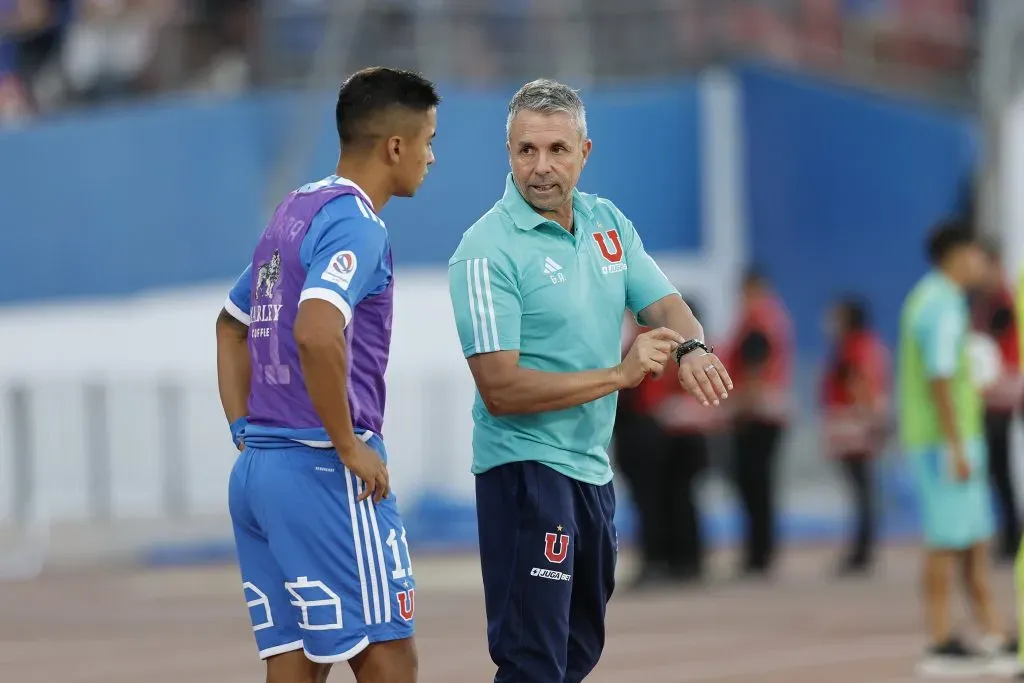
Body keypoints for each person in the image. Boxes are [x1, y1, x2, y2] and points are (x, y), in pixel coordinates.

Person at [446, 78, 732, 683]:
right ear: (509, 154)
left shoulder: (608, 225)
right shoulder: (485, 250)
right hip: (524, 471)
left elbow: (667, 305)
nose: (541, 168)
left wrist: (692, 347)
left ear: (585, 152)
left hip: (590, 472)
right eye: (527, 151)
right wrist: (619, 375)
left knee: (576, 652)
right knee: (533, 660)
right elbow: (500, 390)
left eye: (557, 150)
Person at [214, 67, 439, 683]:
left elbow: (231, 325)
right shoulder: (357, 226)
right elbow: (316, 331)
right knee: (389, 657)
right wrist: (347, 445)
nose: (431, 157)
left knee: (293, 667)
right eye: (427, 140)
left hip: (258, 473)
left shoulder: (297, 208)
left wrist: (244, 428)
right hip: (323, 471)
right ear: (395, 146)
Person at [898, 219, 1014, 675]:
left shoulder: (934, 299)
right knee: (947, 543)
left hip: (952, 437)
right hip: (945, 442)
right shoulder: (941, 305)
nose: (981, 263)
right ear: (956, 255)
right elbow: (940, 377)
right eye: (976, 253)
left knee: (973, 539)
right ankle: (941, 642)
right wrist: (955, 446)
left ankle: (994, 635)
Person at [725, 268, 793, 578]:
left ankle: (759, 553)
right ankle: (760, 551)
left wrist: (739, 406)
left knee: (755, 484)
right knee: (758, 485)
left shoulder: (758, 321)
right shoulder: (774, 319)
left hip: (757, 413)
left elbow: (754, 366)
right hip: (767, 410)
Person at [820, 296, 890, 576]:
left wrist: (868, 418)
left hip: (855, 430)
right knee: (864, 491)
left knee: (862, 492)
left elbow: (861, 383)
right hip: (860, 428)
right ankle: (863, 548)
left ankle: (862, 551)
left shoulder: (854, 348)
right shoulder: (869, 345)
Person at [970, 242, 1022, 563]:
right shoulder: (983, 303)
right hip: (992, 396)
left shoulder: (1004, 302)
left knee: (1000, 469)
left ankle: (1012, 537)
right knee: (995, 469)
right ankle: (1008, 534)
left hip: (1005, 395)